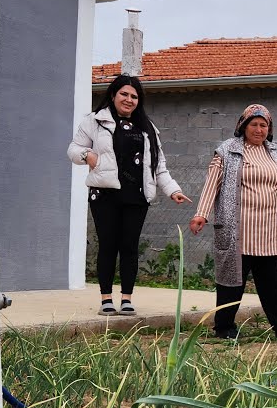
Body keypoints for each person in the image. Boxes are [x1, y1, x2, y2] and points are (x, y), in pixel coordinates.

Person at [68, 74, 190, 315]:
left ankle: (126, 298)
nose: (129, 99)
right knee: (108, 245)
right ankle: (105, 299)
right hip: (105, 194)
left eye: (134, 96)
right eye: (124, 94)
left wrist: (173, 190)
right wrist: (87, 156)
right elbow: (73, 149)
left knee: (130, 246)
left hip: (137, 196)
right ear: (113, 95)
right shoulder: (95, 121)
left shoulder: (147, 128)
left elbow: (159, 167)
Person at [189, 104, 277, 342]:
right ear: (243, 126)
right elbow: (212, 183)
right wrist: (201, 214)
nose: (259, 129)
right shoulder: (227, 151)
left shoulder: (276, 152)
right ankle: (224, 328)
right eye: (253, 124)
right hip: (239, 231)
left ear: (269, 128)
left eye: (263, 125)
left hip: (270, 231)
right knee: (231, 283)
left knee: (276, 284)